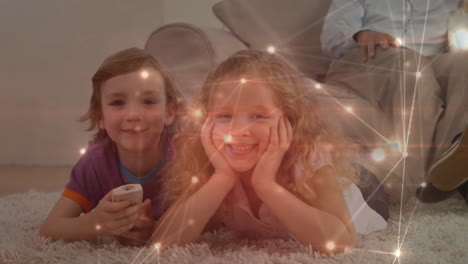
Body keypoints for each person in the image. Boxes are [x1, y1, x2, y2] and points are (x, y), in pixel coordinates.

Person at [151, 50, 387, 254]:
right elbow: (162, 242)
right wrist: (222, 177)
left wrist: (266, 185)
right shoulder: (208, 160)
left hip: (365, 195)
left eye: (259, 116)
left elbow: (342, 244)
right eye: (224, 116)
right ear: (206, 120)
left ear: (290, 118)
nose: (239, 131)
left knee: (370, 177)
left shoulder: (307, 158)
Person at [320, 0, 468, 203]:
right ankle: (404, 182)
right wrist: (362, 34)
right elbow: (332, 38)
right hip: (366, 56)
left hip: (429, 60)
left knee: (464, 64)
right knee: (411, 65)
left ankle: (444, 169)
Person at [39, 48, 182, 245]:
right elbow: (49, 229)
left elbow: (212, 219)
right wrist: (95, 222)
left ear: (170, 112)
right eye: (117, 102)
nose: (133, 114)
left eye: (148, 101)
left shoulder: (184, 156)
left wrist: (156, 229)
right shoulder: (94, 163)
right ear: (100, 117)